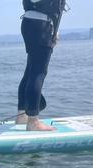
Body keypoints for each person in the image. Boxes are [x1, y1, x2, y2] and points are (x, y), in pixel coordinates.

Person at [16, 0, 67, 131]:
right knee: (38, 73)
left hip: (31, 24)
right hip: (41, 26)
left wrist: (54, 30)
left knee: (30, 71)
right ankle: (33, 121)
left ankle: (22, 116)